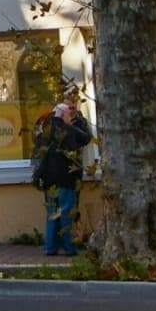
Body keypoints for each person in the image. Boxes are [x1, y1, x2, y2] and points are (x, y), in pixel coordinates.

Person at [30, 96, 94, 258]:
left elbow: (37, 154)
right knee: (66, 213)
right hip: (66, 178)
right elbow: (86, 138)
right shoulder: (69, 130)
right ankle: (69, 248)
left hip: (49, 179)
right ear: (64, 115)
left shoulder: (44, 132)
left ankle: (50, 248)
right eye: (68, 113)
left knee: (52, 213)